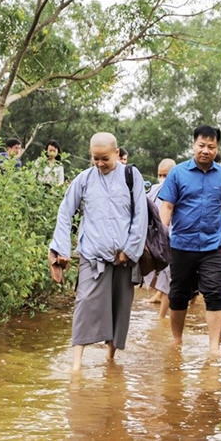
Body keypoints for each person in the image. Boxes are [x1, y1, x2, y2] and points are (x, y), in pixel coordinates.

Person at [49, 132, 147, 369]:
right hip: (92, 256)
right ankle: (76, 365)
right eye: (96, 159)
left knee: (118, 308)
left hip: (124, 257)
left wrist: (130, 250)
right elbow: (65, 212)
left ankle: (110, 359)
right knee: (84, 304)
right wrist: (59, 251)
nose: (101, 164)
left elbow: (140, 216)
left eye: (105, 158)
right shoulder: (84, 179)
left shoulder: (131, 176)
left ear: (117, 153)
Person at [159, 125, 221, 357]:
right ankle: (177, 340)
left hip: (213, 245)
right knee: (179, 294)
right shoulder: (178, 173)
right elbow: (167, 206)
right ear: (193, 145)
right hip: (181, 245)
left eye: (211, 147)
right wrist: (161, 235)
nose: (205, 151)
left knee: (215, 292)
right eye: (201, 145)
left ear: (217, 148)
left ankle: (214, 348)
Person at [143, 158, 176, 317]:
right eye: (160, 175)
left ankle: (162, 317)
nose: (162, 179)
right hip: (156, 239)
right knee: (155, 274)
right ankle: (159, 299)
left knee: (169, 278)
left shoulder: (179, 189)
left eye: (166, 175)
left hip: (173, 240)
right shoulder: (154, 190)